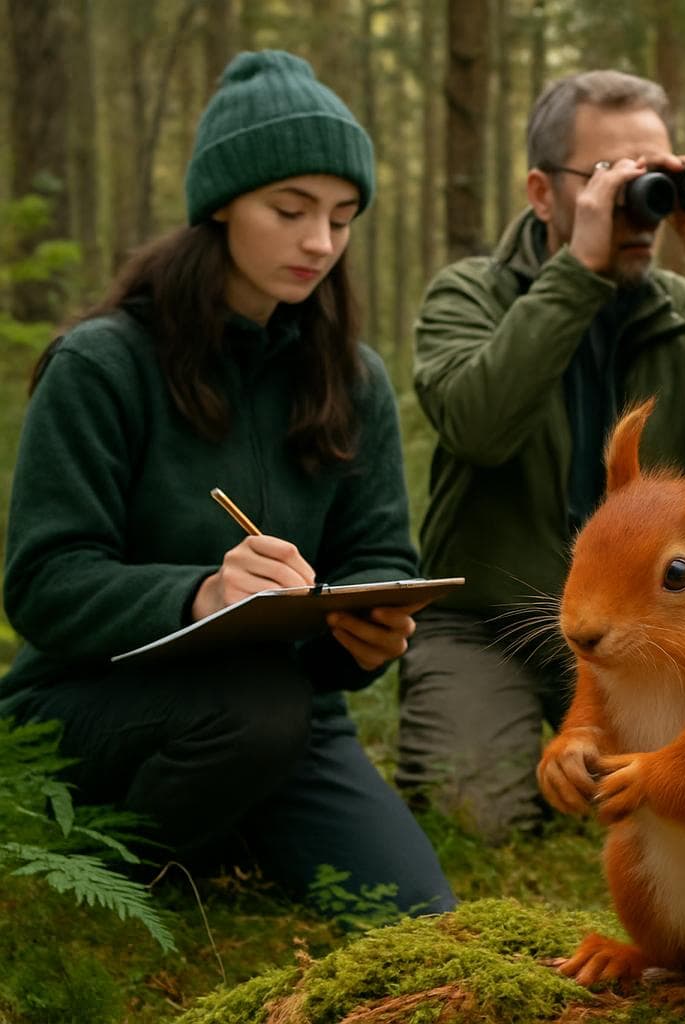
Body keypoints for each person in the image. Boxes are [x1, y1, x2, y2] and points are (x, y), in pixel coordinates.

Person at [0, 50, 455, 916]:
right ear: (220, 206)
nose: (319, 242)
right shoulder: (102, 365)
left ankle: (229, 827)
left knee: (419, 915)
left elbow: (375, 553)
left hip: (286, 707)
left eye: (343, 217)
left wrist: (361, 634)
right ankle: (106, 884)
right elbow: (46, 583)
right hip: (90, 708)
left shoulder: (350, 379)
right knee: (256, 711)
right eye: (289, 210)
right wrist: (201, 595)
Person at [398, 69, 685, 842]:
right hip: (489, 621)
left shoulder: (684, 312)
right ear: (541, 192)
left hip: (641, 629)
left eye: (653, 178)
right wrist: (577, 279)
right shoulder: (468, 295)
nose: (637, 206)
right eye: (608, 177)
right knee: (477, 819)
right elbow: (477, 425)